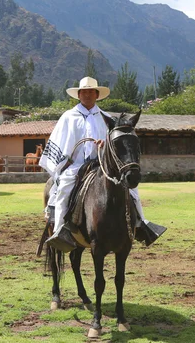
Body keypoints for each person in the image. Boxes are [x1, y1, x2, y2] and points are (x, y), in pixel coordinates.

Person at [39, 76, 166, 252]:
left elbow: (116, 146)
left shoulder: (107, 118)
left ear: (97, 94)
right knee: (64, 189)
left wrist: (104, 145)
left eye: (91, 91)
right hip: (75, 165)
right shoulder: (68, 117)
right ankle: (61, 231)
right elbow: (61, 142)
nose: (87, 95)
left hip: (101, 165)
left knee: (131, 188)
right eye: (84, 92)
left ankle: (141, 224)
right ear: (79, 95)